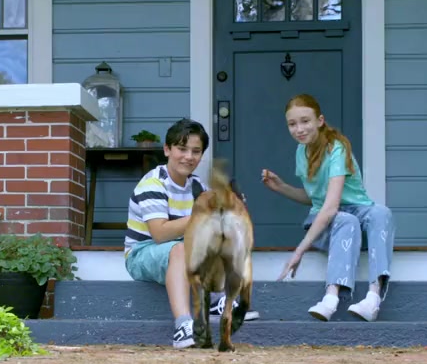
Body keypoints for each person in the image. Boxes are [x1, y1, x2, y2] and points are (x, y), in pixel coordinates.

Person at [260, 93, 395, 321]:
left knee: (381, 212)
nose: (299, 129)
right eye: (292, 124)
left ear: (320, 121)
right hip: (334, 222)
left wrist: (299, 251)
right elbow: (317, 199)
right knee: (345, 220)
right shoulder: (301, 152)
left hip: (353, 214)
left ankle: (373, 298)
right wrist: (281, 187)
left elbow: (330, 206)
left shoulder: (336, 149)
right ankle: (330, 298)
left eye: (305, 121)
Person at [124, 118, 257, 348]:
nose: (189, 156)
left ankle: (217, 300)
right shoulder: (153, 183)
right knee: (180, 248)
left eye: (196, 151)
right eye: (182, 149)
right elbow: (159, 234)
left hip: (182, 249)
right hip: (142, 253)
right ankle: (183, 326)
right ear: (167, 149)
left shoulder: (197, 185)